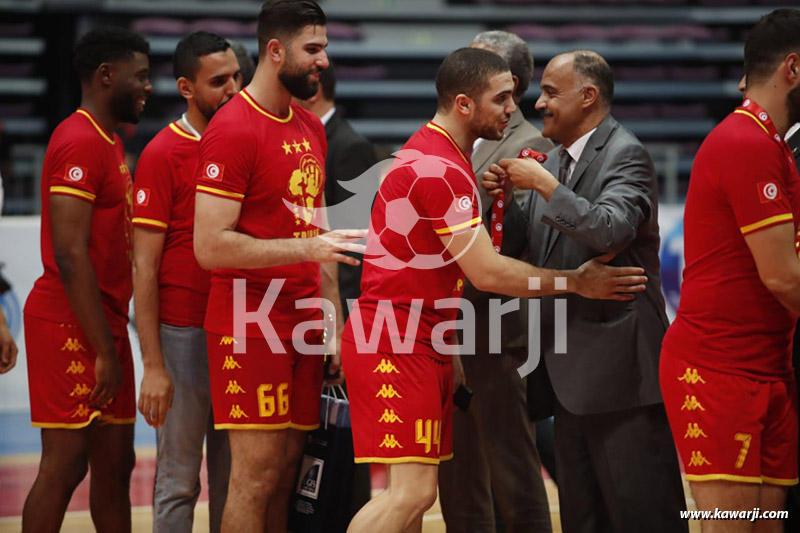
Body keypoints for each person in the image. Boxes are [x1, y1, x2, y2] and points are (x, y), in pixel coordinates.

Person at [342, 46, 650, 533]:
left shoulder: (438, 153)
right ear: (465, 104)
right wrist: (577, 282)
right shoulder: (441, 167)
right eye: (503, 98)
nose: (515, 108)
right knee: (411, 494)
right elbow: (486, 273)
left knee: (413, 502)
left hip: (417, 336)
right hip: (399, 339)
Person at [484, 50, 687, 532]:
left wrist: (548, 188)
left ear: (588, 96)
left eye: (551, 93)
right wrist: (507, 203)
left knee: (642, 517)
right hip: (566, 380)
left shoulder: (626, 154)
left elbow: (611, 230)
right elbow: (531, 247)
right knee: (584, 520)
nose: (538, 104)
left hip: (621, 380)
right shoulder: (554, 161)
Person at [192, 1, 364, 531]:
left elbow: (321, 240)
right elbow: (211, 247)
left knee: (289, 472)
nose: (323, 60)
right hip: (249, 325)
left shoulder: (311, 127)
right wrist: (303, 251)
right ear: (275, 50)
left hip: (304, 323)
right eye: (313, 49)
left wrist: (331, 325)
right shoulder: (233, 128)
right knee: (254, 477)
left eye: (324, 48)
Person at [660, 9, 800, 531]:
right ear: (793, 67)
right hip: (719, 371)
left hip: (768, 366)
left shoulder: (774, 147)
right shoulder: (745, 143)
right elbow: (784, 277)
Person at [21, 27, 151, 532]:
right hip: (69, 323)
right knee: (67, 461)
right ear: (105, 76)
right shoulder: (76, 140)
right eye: (139, 76)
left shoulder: (109, 140)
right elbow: (70, 255)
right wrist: (103, 349)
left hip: (106, 324)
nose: (147, 86)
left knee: (118, 466)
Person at [437, 30, 554, 533]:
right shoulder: (454, 138)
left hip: (496, 328)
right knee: (457, 471)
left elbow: (524, 240)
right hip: (450, 323)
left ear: (514, 86)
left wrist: (486, 200)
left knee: (511, 469)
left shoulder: (532, 144)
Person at [132, 31, 240, 533]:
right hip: (184, 334)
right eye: (219, 81)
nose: (234, 89)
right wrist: (153, 364)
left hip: (237, 330)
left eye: (237, 76)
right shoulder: (162, 154)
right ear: (186, 88)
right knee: (178, 479)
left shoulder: (243, 143)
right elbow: (144, 267)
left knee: (234, 476)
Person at [296, 62, 379, 319]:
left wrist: (336, 317)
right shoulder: (301, 138)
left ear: (314, 91)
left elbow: (352, 244)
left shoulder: (350, 147)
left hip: (334, 304)